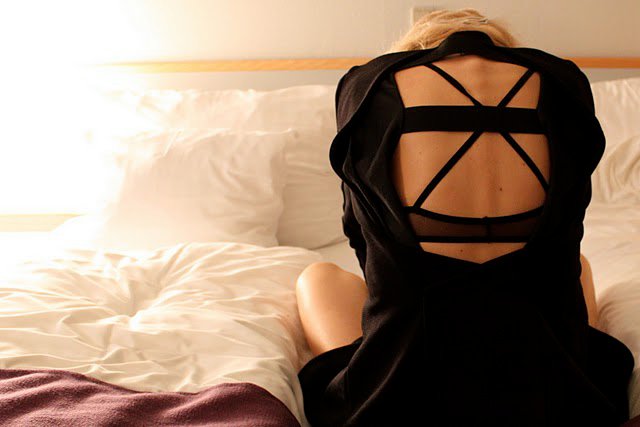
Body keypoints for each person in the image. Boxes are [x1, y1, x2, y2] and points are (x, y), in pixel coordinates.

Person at [296, 8, 635, 427]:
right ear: (504, 51)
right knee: (579, 266)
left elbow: (366, 247)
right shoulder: (563, 85)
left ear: (416, 49)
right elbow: (569, 231)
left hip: (404, 385)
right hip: (549, 385)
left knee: (317, 277)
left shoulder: (369, 88)